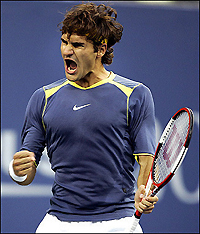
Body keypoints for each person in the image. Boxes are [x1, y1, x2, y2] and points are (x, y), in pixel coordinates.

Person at [9, 2, 158, 233]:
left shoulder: (135, 94)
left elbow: (146, 159)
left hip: (117, 222)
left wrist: (143, 190)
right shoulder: (44, 98)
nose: (67, 51)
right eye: (64, 42)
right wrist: (17, 171)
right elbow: (26, 171)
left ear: (100, 49)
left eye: (78, 45)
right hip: (58, 222)